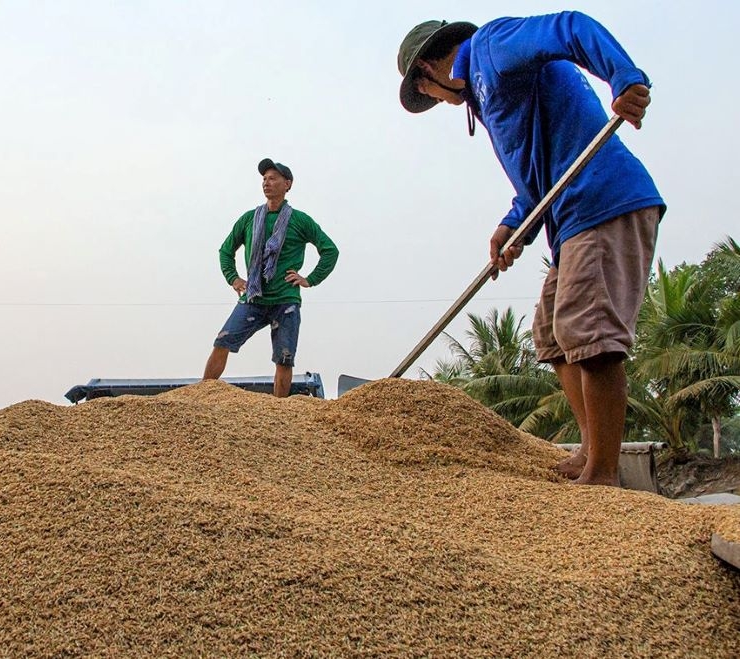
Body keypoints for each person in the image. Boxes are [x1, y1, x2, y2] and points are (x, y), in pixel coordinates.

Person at [396, 12, 665, 487]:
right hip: (567, 220)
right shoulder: (485, 94)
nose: (437, 102)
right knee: (551, 333)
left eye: (429, 95)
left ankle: (603, 474)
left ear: (428, 72)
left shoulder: (492, 48)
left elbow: (570, 27)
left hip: (602, 200)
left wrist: (622, 76)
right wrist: (512, 225)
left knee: (587, 329)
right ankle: (589, 450)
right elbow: (536, 181)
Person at [203, 158, 339, 397]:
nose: (267, 182)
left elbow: (329, 250)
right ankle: (200, 396)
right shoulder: (249, 219)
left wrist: (310, 279)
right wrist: (234, 278)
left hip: (285, 299)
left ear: (287, 184)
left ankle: (279, 410)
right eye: (264, 179)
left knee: (284, 358)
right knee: (223, 341)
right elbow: (226, 251)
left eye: (273, 178)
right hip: (254, 297)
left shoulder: (300, 220)